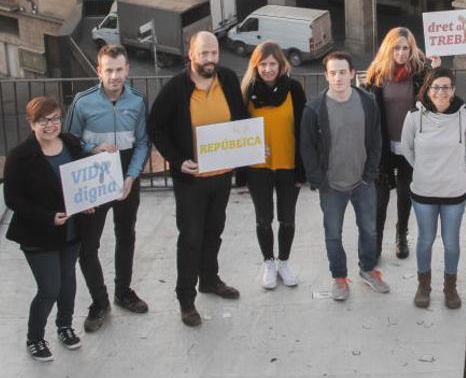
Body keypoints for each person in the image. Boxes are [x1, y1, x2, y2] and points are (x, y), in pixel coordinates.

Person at [147, 31, 248, 327]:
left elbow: (240, 119)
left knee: (214, 231)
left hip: (222, 175)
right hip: (192, 179)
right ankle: (186, 298)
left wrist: (249, 147)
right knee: (190, 238)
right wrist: (177, 161)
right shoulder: (177, 87)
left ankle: (210, 280)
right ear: (190, 54)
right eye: (203, 54)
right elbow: (156, 127)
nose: (209, 59)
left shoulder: (228, 79)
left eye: (213, 53)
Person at [63, 44, 150, 333]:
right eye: (109, 70)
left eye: (119, 70)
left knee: (126, 235)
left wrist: (132, 176)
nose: (114, 76)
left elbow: (142, 143)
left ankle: (123, 292)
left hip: (125, 173)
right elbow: (69, 140)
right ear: (99, 71)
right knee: (88, 246)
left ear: (127, 70)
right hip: (93, 173)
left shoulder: (138, 101)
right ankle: (99, 302)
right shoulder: (82, 102)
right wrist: (93, 148)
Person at [4, 97, 90, 361]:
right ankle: (35, 338)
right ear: (31, 123)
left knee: (68, 283)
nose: (51, 125)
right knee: (50, 288)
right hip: (38, 234)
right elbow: (13, 200)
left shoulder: (72, 145)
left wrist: (87, 201)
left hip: (71, 230)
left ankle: (64, 326)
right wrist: (48, 217)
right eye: (43, 120)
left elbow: (84, 177)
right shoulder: (20, 156)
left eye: (55, 118)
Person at [300, 51, 390, 301]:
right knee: (333, 233)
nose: (338, 77)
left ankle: (368, 269)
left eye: (343, 72)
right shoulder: (314, 109)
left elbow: (376, 139)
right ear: (326, 76)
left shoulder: (368, 101)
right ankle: (339, 278)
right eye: (333, 73)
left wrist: (370, 173)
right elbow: (306, 147)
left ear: (352, 73)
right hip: (332, 186)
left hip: (363, 182)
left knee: (370, 230)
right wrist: (319, 180)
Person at [400, 67, 466, 309]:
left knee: (452, 242)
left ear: (453, 89)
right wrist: (425, 170)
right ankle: (424, 285)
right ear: (427, 89)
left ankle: (450, 286)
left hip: (454, 192)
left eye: (446, 87)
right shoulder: (414, 116)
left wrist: (452, 170)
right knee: (425, 240)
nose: (440, 92)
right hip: (423, 193)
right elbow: (407, 149)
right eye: (435, 87)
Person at [363, 27, 440, 259]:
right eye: (396, 48)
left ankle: (401, 234)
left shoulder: (422, 71)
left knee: (406, 193)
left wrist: (435, 73)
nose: (401, 53)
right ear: (389, 48)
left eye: (405, 48)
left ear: (411, 48)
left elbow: (433, 100)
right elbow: (368, 110)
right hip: (384, 144)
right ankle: (376, 240)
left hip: (411, 143)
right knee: (381, 197)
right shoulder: (377, 73)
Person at [240, 42, 307, 290]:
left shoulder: (294, 90)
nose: (267, 69)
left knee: (287, 218)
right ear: (255, 66)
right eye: (263, 64)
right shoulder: (247, 92)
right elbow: (238, 131)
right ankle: (268, 262)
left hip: (288, 165)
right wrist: (247, 155)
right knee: (263, 218)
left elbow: (304, 129)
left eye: (272, 64)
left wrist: (304, 169)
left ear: (281, 66)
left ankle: (284, 262)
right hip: (259, 168)